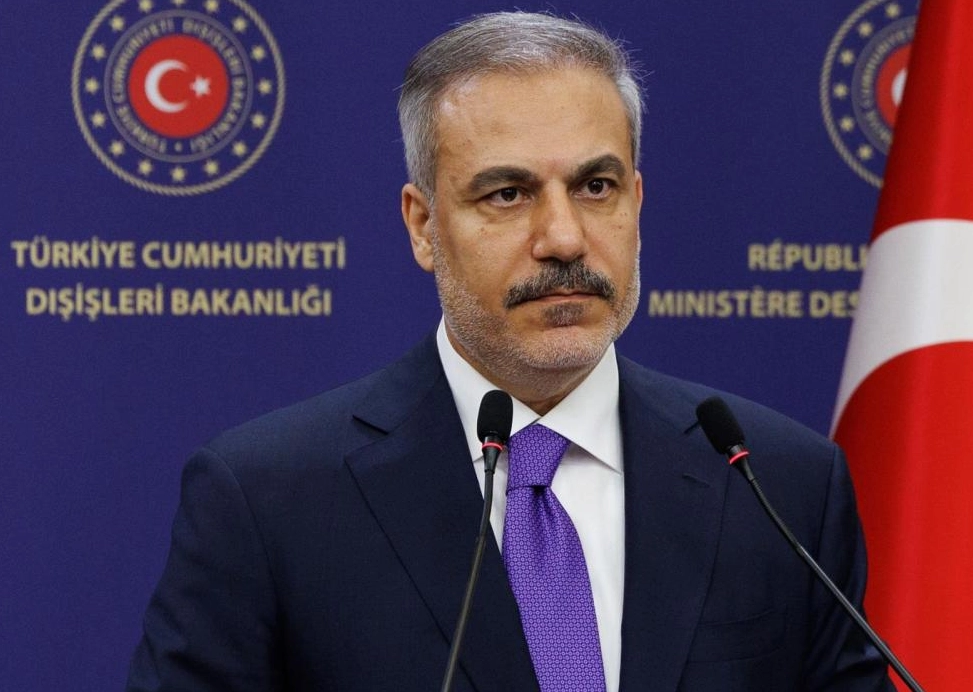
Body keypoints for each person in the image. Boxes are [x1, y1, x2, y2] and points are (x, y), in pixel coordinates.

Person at [127, 11, 894, 691]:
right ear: (423, 226)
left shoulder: (778, 485)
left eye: (596, 187)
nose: (563, 238)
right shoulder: (269, 500)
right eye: (507, 194)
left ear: (637, 200)